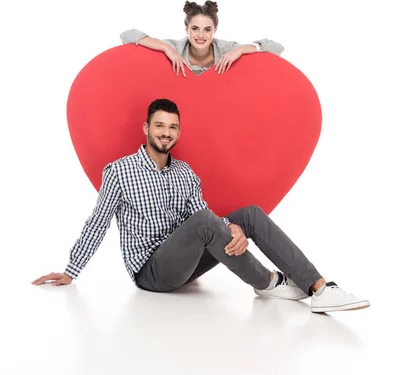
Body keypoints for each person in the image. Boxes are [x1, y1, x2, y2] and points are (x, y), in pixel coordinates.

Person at [32, 99, 370, 314]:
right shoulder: (119, 171)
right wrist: (71, 270)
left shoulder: (185, 173)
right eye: (160, 125)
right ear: (147, 128)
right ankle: (269, 281)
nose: (166, 132)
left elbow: (204, 218)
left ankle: (318, 287)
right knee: (210, 222)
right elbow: (98, 222)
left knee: (248, 214)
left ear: (178, 132)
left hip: (188, 263)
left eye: (173, 126)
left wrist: (231, 227)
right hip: (152, 273)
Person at [120, 0, 285, 77]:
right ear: (187, 29)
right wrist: (166, 48)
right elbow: (127, 35)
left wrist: (241, 50)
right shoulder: (175, 48)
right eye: (194, 29)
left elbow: (277, 48)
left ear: (214, 30)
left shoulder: (227, 49)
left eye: (207, 30)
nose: (200, 35)